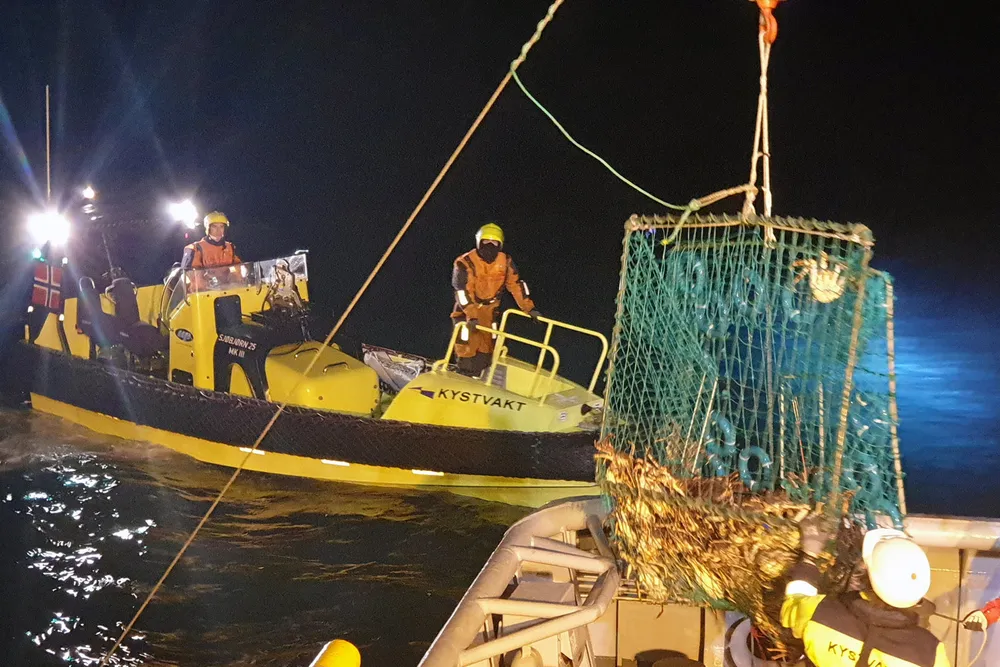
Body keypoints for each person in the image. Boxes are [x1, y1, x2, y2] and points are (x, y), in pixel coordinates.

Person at [780, 517, 950, 667]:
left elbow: (792, 606)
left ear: (866, 575)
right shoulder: (930, 654)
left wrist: (809, 556)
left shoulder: (818, 613)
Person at [450, 223, 540, 376]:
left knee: (488, 346)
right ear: (479, 242)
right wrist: (472, 315)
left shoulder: (505, 261)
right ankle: (464, 372)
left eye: (494, 242)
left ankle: (483, 376)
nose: (490, 246)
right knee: (466, 343)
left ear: (500, 245)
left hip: (490, 311)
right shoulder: (465, 262)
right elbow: (462, 291)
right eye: (486, 241)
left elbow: (516, 285)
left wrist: (529, 309)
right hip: (467, 311)